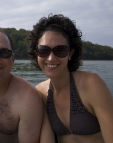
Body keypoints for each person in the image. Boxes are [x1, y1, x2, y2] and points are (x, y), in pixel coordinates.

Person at [27, 13, 113, 143]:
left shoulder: (91, 84)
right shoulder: (40, 93)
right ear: (36, 53)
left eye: (60, 50)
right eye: (44, 50)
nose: (51, 58)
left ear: (70, 54)